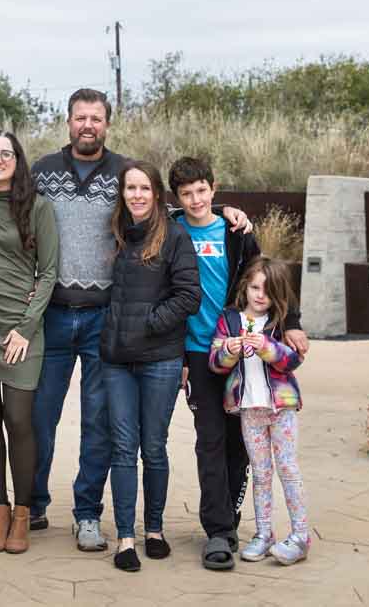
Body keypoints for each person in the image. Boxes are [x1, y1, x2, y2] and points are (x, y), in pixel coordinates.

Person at [30, 89, 252, 550]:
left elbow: (166, 212)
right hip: (53, 315)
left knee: (102, 426)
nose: (87, 125)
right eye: (79, 117)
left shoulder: (124, 172)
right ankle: (31, 505)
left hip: (108, 324)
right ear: (68, 121)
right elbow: (13, 210)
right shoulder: (42, 171)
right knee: (40, 418)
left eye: (96, 118)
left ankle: (89, 514)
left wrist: (227, 211)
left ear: (107, 123)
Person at [166, 154, 309, 571]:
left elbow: (270, 282)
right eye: (186, 194)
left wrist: (293, 323)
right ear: (178, 197)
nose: (195, 200)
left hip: (244, 351)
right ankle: (219, 532)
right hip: (198, 352)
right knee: (208, 439)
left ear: (214, 188)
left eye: (202, 191)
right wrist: (177, 354)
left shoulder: (235, 232)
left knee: (239, 445)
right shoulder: (171, 229)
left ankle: (237, 517)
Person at [100, 162, 200, 572]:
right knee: (123, 448)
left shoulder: (174, 236)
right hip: (117, 361)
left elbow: (188, 295)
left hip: (160, 359)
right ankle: (125, 538)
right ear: (122, 193)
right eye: (130, 188)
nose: (136, 195)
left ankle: (154, 530)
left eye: (144, 188)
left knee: (153, 448)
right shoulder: (118, 233)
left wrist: (148, 325)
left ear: (157, 193)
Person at [0, 129, 59, 555]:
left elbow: (49, 272)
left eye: (7, 153)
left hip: (21, 328)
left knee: (19, 419)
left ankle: (23, 513)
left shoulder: (38, 207)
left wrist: (25, 326)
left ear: (18, 160)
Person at [208, 257, 308, 566]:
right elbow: (214, 362)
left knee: (287, 468)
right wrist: (228, 350)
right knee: (261, 473)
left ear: (278, 294)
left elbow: (292, 361)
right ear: (245, 287)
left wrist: (266, 347)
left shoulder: (280, 322)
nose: (259, 295)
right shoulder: (230, 320)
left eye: (267, 290)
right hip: (249, 408)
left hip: (281, 408)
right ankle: (264, 534)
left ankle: (301, 536)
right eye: (254, 287)